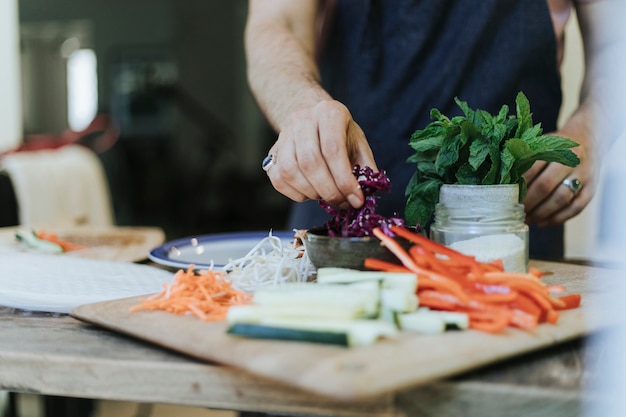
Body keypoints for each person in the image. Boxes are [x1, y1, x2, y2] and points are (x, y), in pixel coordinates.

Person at [244, 0, 625, 260]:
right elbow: (278, 20)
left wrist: (593, 125)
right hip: (343, 233)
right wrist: (300, 103)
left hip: (505, 236)